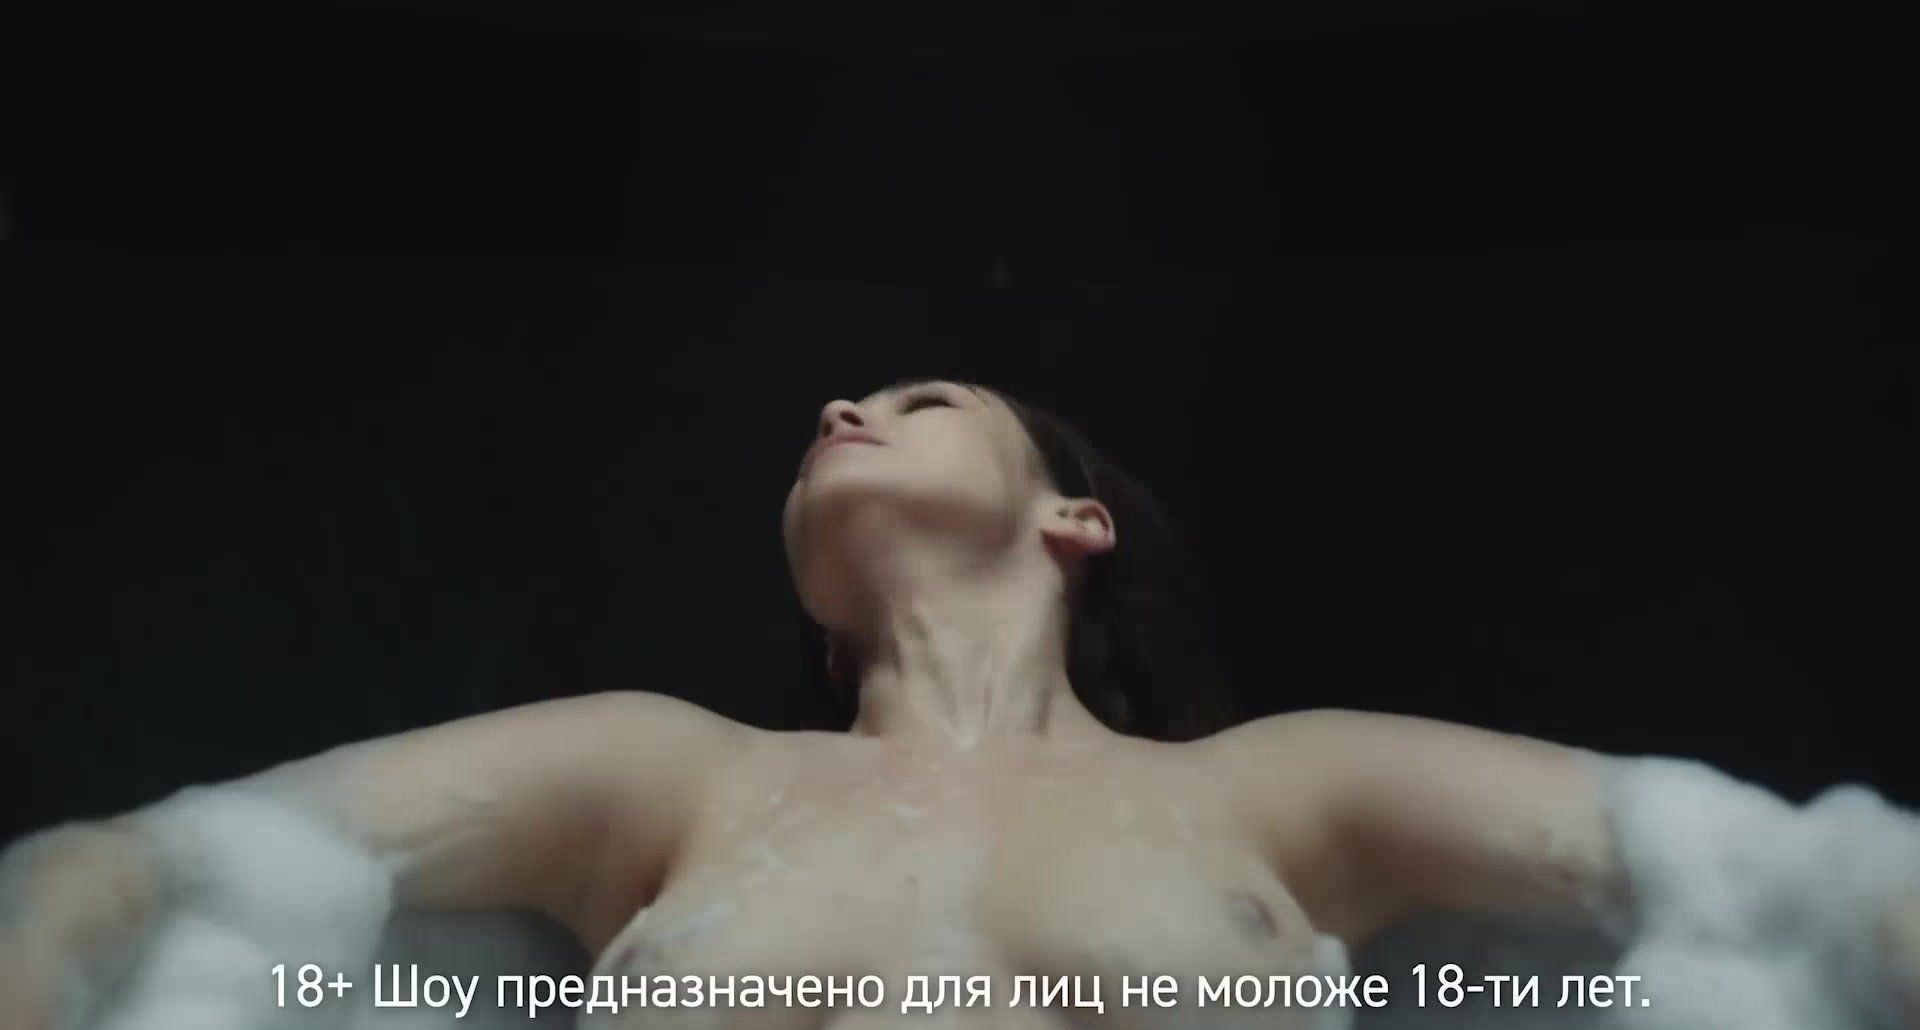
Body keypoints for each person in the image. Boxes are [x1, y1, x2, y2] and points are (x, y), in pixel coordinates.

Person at [3, 379, 1917, 1030]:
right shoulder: (671, 772)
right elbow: (139, 876)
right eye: (835, 411)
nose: (842, 406)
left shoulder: (1275, 792)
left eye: (918, 396)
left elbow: (1806, 898)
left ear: (1075, 520)